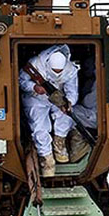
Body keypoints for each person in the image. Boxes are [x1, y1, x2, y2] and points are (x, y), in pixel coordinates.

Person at [18, 45, 90, 177]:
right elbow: (21, 80)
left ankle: (59, 145)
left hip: (57, 98)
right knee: (40, 127)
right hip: (36, 98)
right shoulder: (35, 64)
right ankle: (47, 159)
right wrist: (34, 87)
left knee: (67, 116)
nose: (56, 74)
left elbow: (72, 91)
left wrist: (68, 102)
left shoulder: (70, 70)